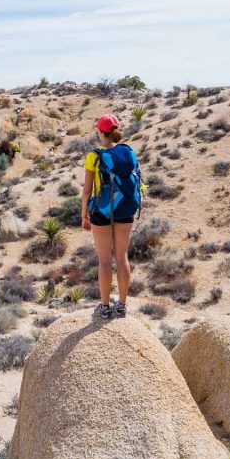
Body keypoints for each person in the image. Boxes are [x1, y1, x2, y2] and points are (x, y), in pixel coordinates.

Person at [81, 114, 143, 319]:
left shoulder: (94, 156)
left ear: (101, 132)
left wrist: (84, 215)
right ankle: (122, 305)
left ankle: (105, 306)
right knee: (122, 257)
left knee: (105, 260)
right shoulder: (128, 152)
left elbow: (87, 190)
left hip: (102, 211)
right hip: (125, 209)